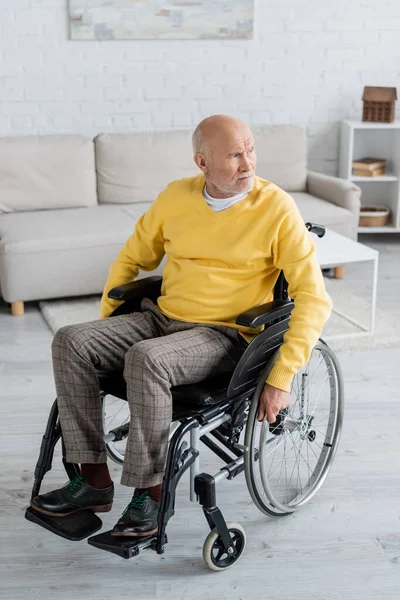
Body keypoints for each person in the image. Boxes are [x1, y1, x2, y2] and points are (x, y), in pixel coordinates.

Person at [31, 115, 332, 537]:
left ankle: (150, 499)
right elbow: (132, 258)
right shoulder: (176, 197)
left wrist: (282, 375)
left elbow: (315, 297)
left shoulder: (276, 207)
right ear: (202, 162)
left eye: (250, 150)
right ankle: (93, 481)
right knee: (71, 341)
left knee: (145, 359)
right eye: (234, 155)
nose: (248, 163)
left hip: (224, 334)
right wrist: (107, 324)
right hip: (161, 317)